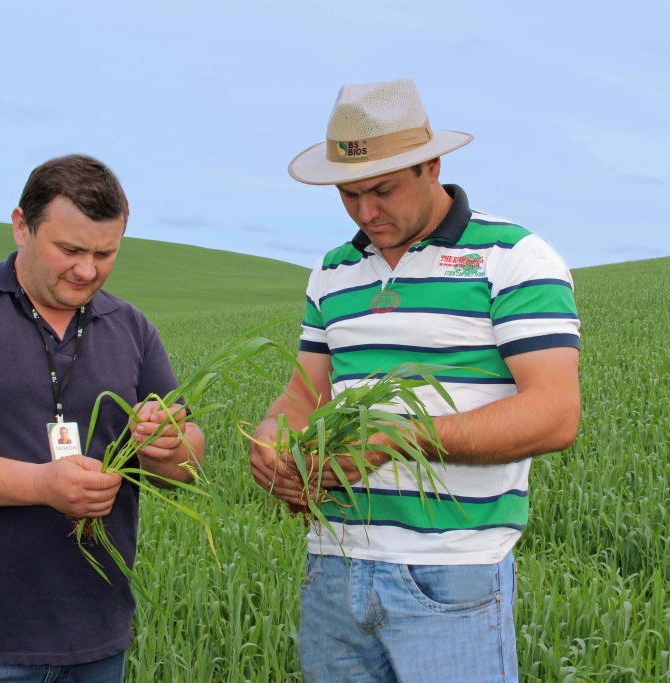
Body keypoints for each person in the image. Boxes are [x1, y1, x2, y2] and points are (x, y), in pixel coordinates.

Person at [249, 79, 581, 682]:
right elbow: (304, 395)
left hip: (451, 573)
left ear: (432, 165)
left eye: (382, 190)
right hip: (333, 566)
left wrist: (396, 436)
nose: (366, 212)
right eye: (349, 194)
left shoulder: (512, 257)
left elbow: (555, 414)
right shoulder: (333, 271)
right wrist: (273, 441)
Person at [0, 154, 204, 681]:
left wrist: (170, 445)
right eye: (68, 249)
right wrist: (42, 484)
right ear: (22, 226)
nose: (87, 270)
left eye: (104, 253)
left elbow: (187, 464)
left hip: (95, 642)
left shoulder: (131, 327)